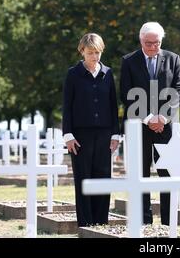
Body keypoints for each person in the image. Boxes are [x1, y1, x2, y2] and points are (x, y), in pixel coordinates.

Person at [120, 22, 180, 225]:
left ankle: (168, 222)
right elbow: (127, 94)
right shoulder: (129, 61)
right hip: (139, 127)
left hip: (165, 127)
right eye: (149, 43)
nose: (153, 47)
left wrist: (163, 118)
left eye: (156, 43)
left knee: (168, 173)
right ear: (141, 41)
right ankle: (144, 222)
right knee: (141, 174)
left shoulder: (173, 59)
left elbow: (179, 90)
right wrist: (148, 119)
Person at [62, 33, 120, 227]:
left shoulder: (108, 73)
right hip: (80, 137)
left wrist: (115, 134)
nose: (94, 57)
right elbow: (67, 106)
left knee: (103, 178)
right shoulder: (73, 74)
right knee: (84, 180)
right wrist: (68, 135)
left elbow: (113, 105)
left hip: (105, 135)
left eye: (97, 52)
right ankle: (86, 226)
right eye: (90, 53)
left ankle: (101, 224)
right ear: (82, 51)